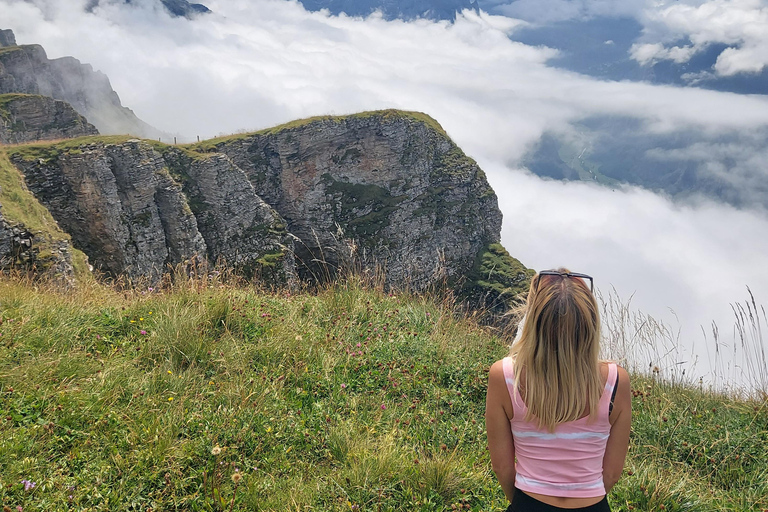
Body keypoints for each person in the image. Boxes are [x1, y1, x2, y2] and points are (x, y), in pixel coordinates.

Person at [485, 269, 631, 512]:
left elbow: (502, 467)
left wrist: (524, 503)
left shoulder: (505, 376)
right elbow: (612, 473)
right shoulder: (616, 381)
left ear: (533, 321)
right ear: (590, 326)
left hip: (528, 503)